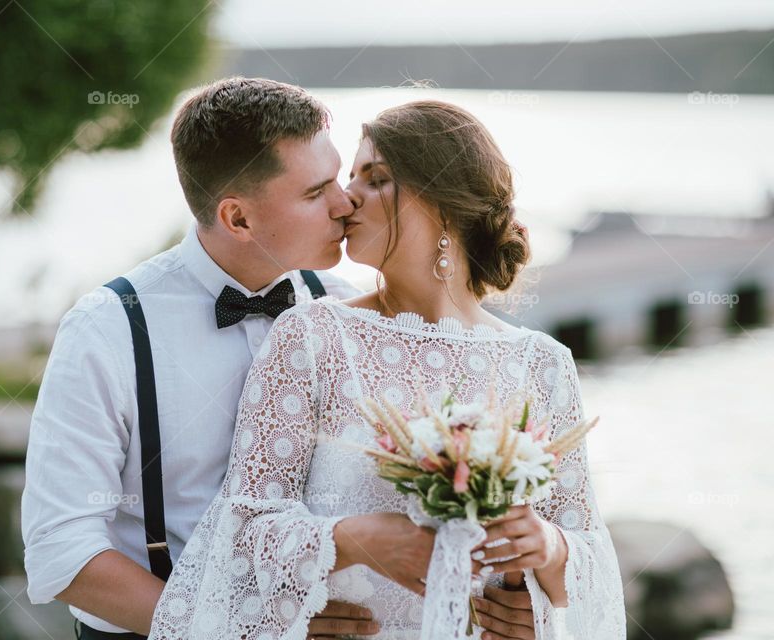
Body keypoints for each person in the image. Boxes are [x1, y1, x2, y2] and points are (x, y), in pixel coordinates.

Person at [148, 100, 626, 639]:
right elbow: (242, 528)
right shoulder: (313, 336)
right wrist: (349, 539)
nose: (347, 196)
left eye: (375, 179)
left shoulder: (542, 364)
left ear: (444, 203)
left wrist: (549, 559)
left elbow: (588, 556)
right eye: (350, 176)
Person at [21, 77, 383, 639]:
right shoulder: (107, 329)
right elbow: (60, 551)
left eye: (337, 179)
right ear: (238, 219)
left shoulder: (346, 309)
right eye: (315, 193)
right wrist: (244, 628)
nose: (345, 203)